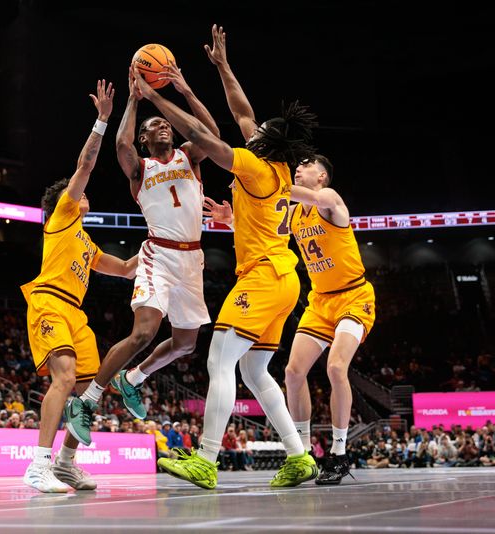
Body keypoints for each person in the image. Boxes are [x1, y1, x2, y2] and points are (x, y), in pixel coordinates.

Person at [136, 25, 318, 489]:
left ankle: (207, 459)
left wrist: (157, 98)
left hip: (261, 277)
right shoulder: (273, 164)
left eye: (257, 133)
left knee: (219, 361)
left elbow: (200, 132)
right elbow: (241, 109)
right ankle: (300, 457)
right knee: (255, 370)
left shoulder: (254, 164)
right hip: (285, 279)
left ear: (264, 143)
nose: (250, 130)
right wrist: (220, 67)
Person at [80, 63, 219, 421]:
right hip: (158, 256)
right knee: (144, 333)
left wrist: (185, 90)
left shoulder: (190, 155)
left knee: (186, 343)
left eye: (165, 123)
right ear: (144, 139)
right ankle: (88, 400)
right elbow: (121, 143)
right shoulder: (140, 168)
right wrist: (133, 100)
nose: (163, 125)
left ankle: (133, 378)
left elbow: (211, 133)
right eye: (154, 125)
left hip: (193, 260)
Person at [21, 80, 138, 493]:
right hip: (49, 301)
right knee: (65, 378)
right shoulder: (62, 217)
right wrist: (103, 120)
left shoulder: (86, 242)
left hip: (76, 313)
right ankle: (38, 465)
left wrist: (164, 239)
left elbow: (125, 269)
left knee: (89, 392)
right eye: (79, 192)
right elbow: (85, 165)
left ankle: (67, 463)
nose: (85, 193)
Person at [279, 154, 377, 485]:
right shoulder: (293, 213)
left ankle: (338, 453)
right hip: (320, 302)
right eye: (298, 166)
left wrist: (273, 183)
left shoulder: (329, 199)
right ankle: (303, 452)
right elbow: (263, 225)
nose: (299, 168)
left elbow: (310, 197)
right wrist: (229, 218)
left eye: (306, 165)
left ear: (322, 175)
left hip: (354, 296)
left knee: (336, 367)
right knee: (292, 372)